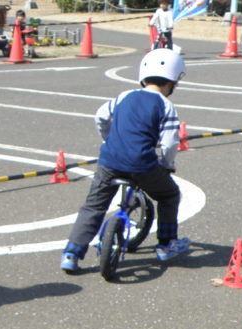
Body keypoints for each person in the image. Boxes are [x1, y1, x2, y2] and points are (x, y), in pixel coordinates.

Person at [61, 49, 190, 273]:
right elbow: (169, 142)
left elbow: (101, 116)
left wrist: (108, 138)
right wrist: (167, 165)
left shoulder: (124, 96)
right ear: (172, 82)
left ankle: (71, 253)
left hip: (109, 161)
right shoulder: (166, 106)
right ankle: (167, 244)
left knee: (94, 206)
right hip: (142, 164)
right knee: (169, 194)